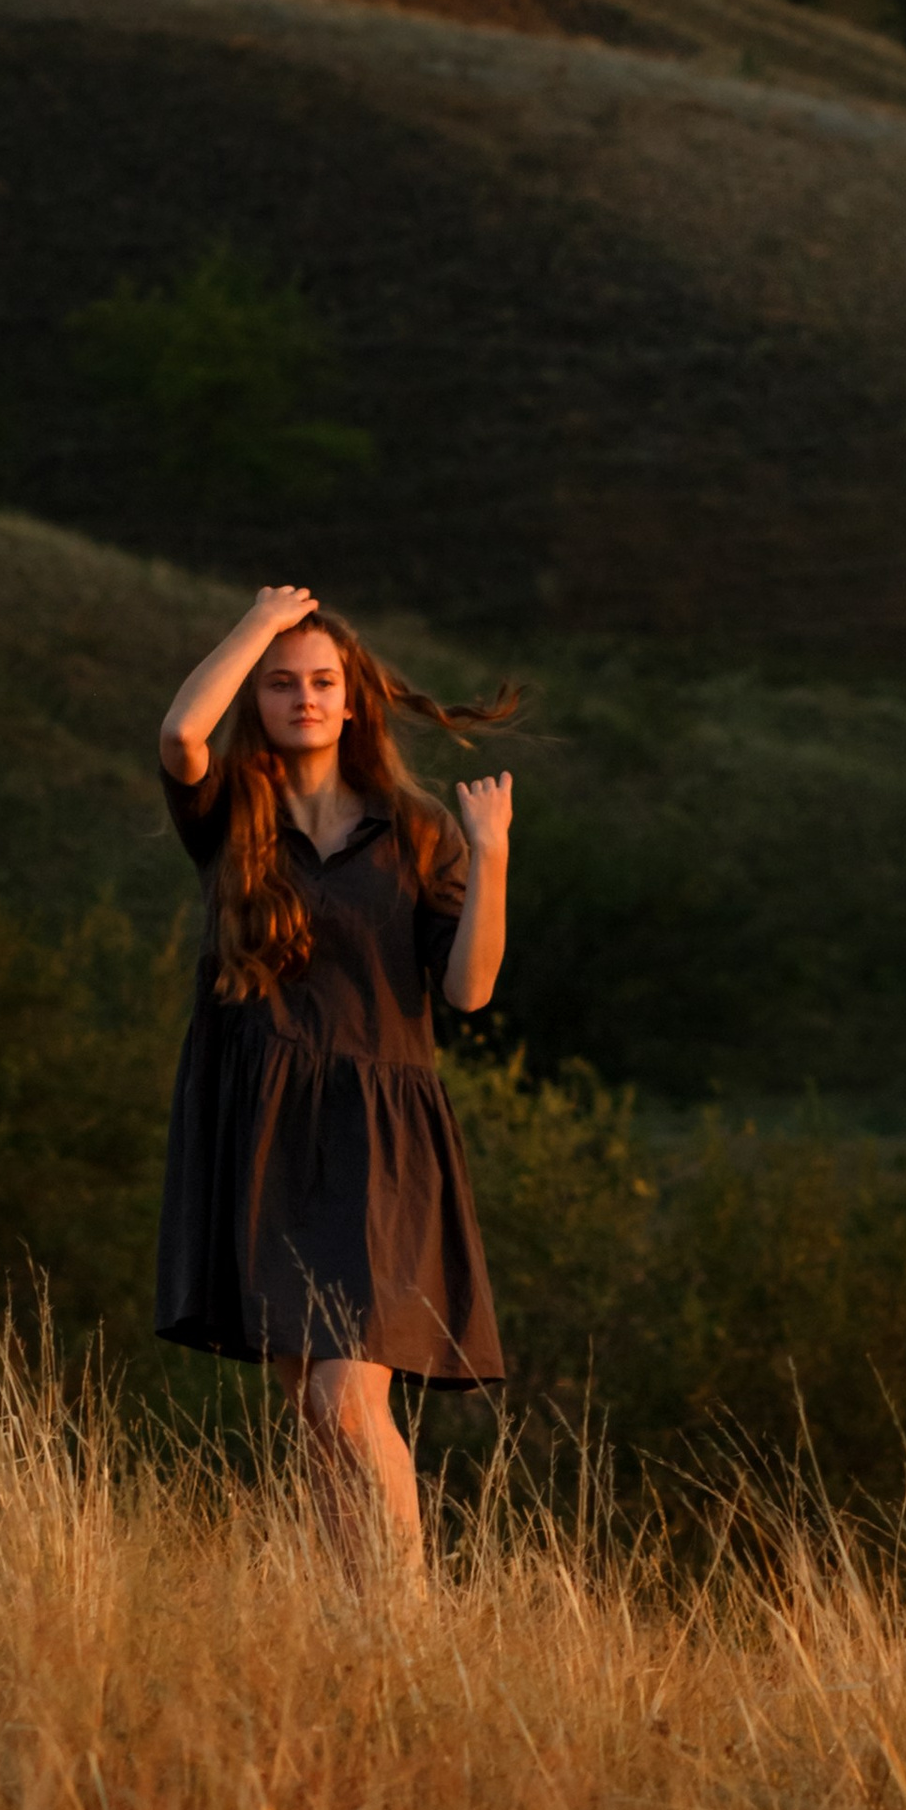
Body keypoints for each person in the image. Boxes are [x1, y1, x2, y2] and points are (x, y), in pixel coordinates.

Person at [154, 581, 517, 1568]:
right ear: (258, 697)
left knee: (345, 1398)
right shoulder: (235, 814)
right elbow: (183, 734)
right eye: (280, 683)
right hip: (260, 1128)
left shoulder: (418, 829)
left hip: (378, 1138)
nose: (303, 697)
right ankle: (360, 1624)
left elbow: (470, 991)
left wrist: (491, 859)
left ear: (352, 698)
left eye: (321, 680)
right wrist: (257, 623)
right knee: (315, 1416)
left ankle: (404, 1633)